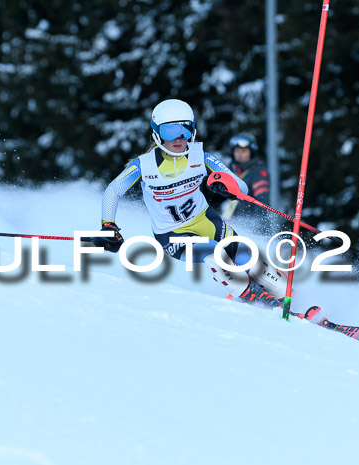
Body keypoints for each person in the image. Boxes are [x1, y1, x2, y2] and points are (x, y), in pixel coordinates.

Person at [99, 99, 286, 309]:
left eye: (185, 130)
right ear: (157, 133)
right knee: (216, 253)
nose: (179, 138)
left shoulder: (201, 156)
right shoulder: (144, 165)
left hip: (206, 220)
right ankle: (253, 296)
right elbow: (113, 191)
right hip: (171, 235)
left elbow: (241, 187)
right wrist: (108, 226)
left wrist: (228, 186)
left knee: (248, 257)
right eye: (170, 131)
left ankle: (286, 297)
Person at [221, 134, 272, 228]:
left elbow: (262, 200)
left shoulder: (258, 172)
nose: (240, 154)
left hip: (253, 227)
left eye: (244, 151)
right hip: (233, 224)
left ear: (251, 152)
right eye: (237, 151)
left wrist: (257, 224)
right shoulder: (231, 170)